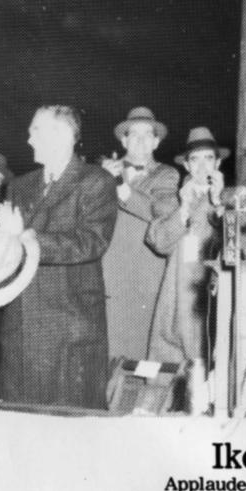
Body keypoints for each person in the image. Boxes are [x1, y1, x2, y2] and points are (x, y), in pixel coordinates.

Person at [0, 106, 118, 408]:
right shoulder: (19, 186)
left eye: (35, 130)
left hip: (69, 327)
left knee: (71, 429)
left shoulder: (96, 181)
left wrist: (26, 239)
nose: (28, 139)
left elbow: (91, 242)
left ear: (62, 135)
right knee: (22, 429)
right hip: (20, 330)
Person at [100, 107, 180, 361]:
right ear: (123, 140)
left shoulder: (168, 175)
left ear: (157, 141)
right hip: (109, 279)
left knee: (141, 361)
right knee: (109, 358)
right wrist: (101, 179)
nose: (142, 140)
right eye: (134, 134)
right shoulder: (102, 172)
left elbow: (160, 213)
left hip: (147, 280)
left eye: (148, 135)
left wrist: (121, 186)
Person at [146, 127, 229, 364]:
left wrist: (218, 201)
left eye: (209, 158)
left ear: (218, 164)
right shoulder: (171, 199)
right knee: (169, 377)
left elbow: (238, 240)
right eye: (195, 159)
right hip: (175, 304)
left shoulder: (229, 199)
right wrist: (184, 208)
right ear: (187, 166)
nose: (202, 167)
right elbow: (159, 241)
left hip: (211, 301)